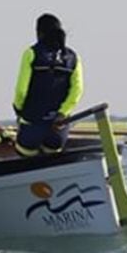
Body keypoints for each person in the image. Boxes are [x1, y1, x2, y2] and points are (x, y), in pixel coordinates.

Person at [12, 13, 84, 156]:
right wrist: (62, 113)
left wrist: (18, 110)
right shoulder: (72, 57)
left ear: (39, 33)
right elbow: (77, 90)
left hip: (32, 124)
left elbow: (21, 91)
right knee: (51, 154)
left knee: (24, 152)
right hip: (58, 130)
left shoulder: (31, 53)